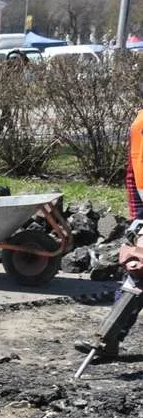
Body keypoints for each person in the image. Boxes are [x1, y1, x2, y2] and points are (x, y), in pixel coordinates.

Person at [75, 108, 143, 360]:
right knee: (135, 273)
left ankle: (108, 340)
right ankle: (109, 340)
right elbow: (133, 172)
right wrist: (138, 215)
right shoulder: (140, 122)